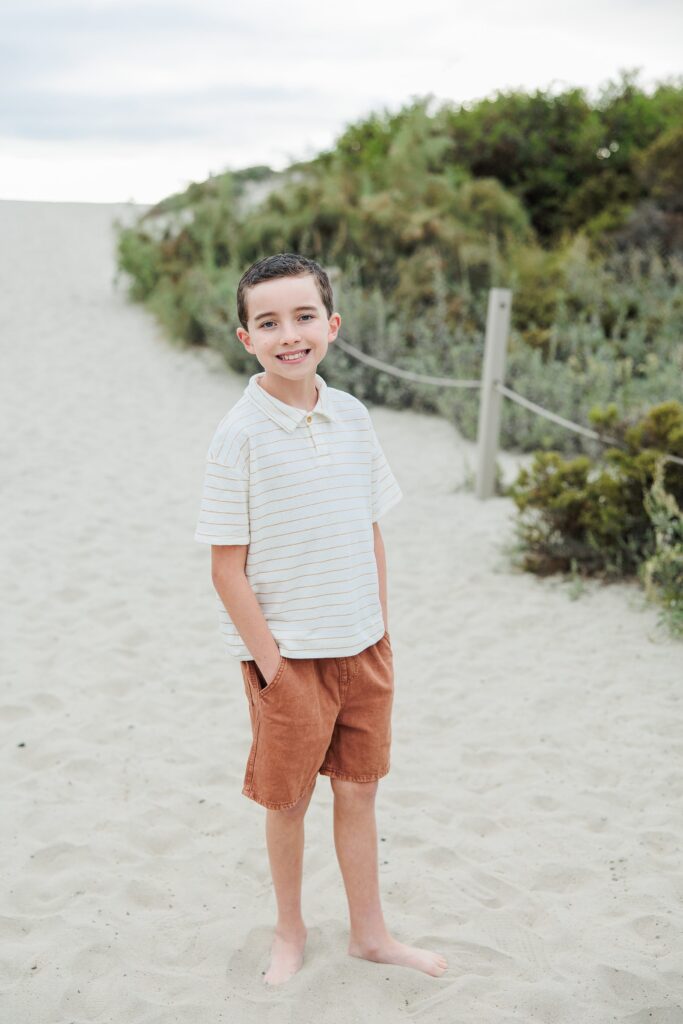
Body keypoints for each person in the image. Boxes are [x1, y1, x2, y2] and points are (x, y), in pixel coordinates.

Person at [194, 252, 448, 985]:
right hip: (290, 657)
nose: (289, 334)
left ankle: (370, 934)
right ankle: (289, 931)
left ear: (330, 326)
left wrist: (380, 625)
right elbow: (223, 569)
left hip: (363, 647)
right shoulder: (237, 435)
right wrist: (274, 667)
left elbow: (369, 526)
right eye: (267, 322)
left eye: (303, 317)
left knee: (360, 789)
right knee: (289, 799)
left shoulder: (352, 416)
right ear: (246, 338)